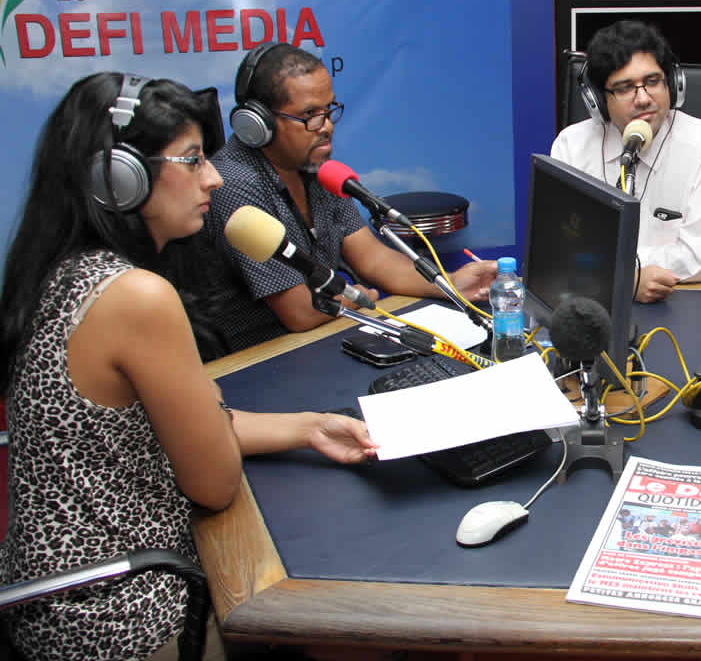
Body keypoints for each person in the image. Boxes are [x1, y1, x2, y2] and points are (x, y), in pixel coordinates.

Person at [0, 72, 380, 661]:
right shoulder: (134, 298)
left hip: (53, 600)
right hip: (126, 613)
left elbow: (169, 428)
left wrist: (307, 427)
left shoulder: (67, 269)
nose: (214, 177)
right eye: (192, 159)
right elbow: (213, 480)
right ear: (118, 180)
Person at [205, 43, 497, 352]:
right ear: (257, 124)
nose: (326, 126)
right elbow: (300, 312)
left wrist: (452, 284)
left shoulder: (315, 166)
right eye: (309, 115)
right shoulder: (233, 183)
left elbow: (372, 258)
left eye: (328, 110)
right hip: (256, 362)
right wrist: (358, 296)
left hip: (322, 340)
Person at [551, 20, 701, 303]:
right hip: (591, 299)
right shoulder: (571, 145)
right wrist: (624, 280)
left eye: (653, 81)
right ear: (598, 99)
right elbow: (560, 248)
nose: (644, 99)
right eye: (624, 88)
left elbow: (697, 259)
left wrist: (610, 270)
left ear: (672, 83)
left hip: (673, 299)